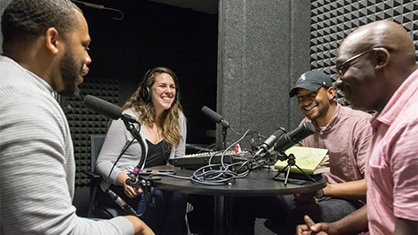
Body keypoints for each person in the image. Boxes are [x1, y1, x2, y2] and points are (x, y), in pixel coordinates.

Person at [0, 0, 153, 234]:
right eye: (84, 46)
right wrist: (132, 225)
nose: (88, 58)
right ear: (53, 41)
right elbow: (53, 231)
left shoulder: (9, 83)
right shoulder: (27, 106)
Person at [296, 20, 418, 235]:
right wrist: (334, 229)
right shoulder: (386, 121)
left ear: (380, 59)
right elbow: (382, 203)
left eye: (343, 68)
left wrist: (324, 191)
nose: (339, 81)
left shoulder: (411, 128)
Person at [232, 71, 372, 235]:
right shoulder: (305, 126)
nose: (306, 102)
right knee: (243, 200)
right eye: (300, 98)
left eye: (312, 94)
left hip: (351, 203)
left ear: (331, 93)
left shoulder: (360, 125)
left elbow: (371, 185)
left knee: (300, 217)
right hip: (315, 195)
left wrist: (320, 190)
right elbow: (294, 168)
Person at [95, 66, 189, 235]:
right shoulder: (127, 119)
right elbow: (102, 163)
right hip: (125, 185)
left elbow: (178, 161)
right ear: (147, 90)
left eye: (172, 87)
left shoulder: (178, 119)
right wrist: (124, 180)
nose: (168, 91)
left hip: (158, 184)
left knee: (179, 195)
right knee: (156, 196)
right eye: (162, 86)